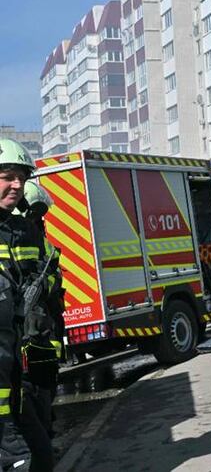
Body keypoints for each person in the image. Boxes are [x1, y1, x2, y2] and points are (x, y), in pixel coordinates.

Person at [13, 182, 63, 472]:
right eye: (34, 214)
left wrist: (44, 284)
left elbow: (52, 274)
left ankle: (44, 437)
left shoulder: (35, 237)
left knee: (43, 390)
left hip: (41, 331)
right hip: (25, 336)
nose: (39, 219)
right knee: (30, 396)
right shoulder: (16, 237)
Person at [0, 140, 38, 470]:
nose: (17, 185)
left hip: (12, 356)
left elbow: (37, 274)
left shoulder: (18, 229)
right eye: (8, 177)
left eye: (21, 179)